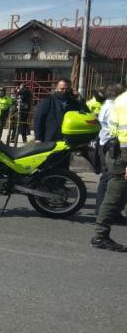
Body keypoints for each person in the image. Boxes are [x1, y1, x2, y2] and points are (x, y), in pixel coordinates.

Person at [91, 85, 127, 252]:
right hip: (122, 152)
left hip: (115, 149)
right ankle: (100, 235)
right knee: (114, 193)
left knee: (116, 192)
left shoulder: (120, 100)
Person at [34, 78, 87, 143]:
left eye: (67, 89)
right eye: (62, 89)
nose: (64, 91)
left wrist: (80, 99)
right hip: (51, 139)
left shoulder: (75, 103)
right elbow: (39, 119)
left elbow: (85, 114)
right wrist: (38, 138)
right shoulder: (48, 102)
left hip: (70, 140)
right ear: (56, 89)